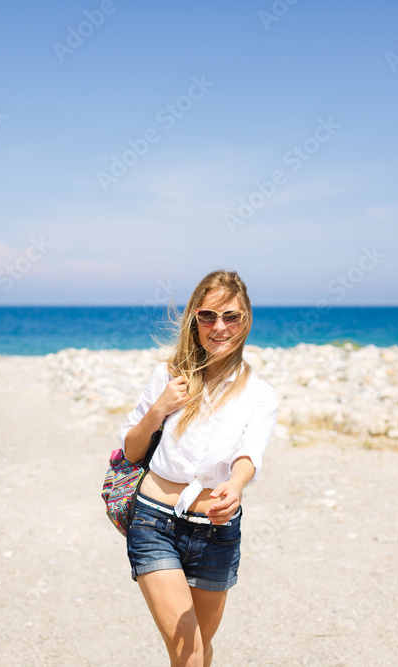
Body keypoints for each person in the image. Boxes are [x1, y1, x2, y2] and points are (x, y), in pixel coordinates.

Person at [119, 269, 279, 667]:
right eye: (207, 316)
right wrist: (160, 408)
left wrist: (237, 485)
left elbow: (249, 454)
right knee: (188, 654)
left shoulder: (260, 394)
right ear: (194, 319)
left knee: (200, 652)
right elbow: (132, 449)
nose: (219, 327)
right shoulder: (167, 376)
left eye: (231, 317)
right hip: (154, 523)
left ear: (245, 321)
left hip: (217, 532)